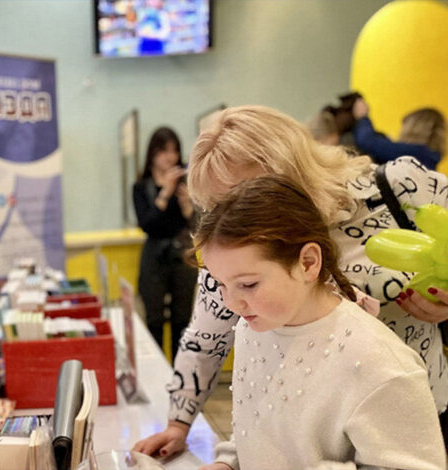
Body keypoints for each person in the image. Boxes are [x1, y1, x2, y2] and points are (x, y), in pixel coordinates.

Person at [133, 105, 448, 458]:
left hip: (413, 421)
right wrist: (179, 423)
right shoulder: (235, 248)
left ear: (288, 171)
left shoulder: (397, 186)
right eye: (218, 208)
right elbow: (205, 338)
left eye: (244, 198)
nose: (235, 220)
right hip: (312, 438)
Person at [193, 175, 444, 470]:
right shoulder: (255, 327)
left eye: (248, 285)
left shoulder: (381, 363)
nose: (232, 303)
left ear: (308, 263)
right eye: (221, 284)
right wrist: (229, 463)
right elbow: (262, 424)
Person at [132, 126, 198, 361]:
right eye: (163, 151)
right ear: (152, 153)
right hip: (154, 256)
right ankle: (157, 371)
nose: (169, 157)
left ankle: (180, 373)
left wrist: (187, 204)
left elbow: (197, 225)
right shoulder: (142, 186)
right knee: (154, 319)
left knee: (182, 320)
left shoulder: (187, 183)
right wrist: (165, 192)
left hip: (182, 255)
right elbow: (146, 224)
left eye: (174, 150)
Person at [353, 98, 445, 170]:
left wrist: (363, 117)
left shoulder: (415, 153)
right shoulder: (429, 156)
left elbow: (367, 141)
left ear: (414, 129)